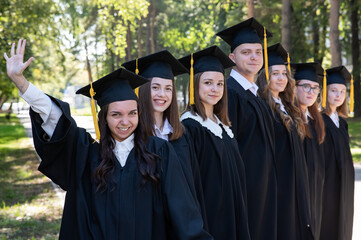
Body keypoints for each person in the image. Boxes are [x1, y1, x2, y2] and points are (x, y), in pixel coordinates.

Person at [4, 39, 213, 240]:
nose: (125, 121)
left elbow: (182, 209)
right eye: (116, 114)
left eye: (132, 113)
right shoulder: (87, 153)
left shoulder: (160, 152)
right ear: (103, 117)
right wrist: (21, 83)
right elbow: (55, 118)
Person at [122, 50, 206, 221]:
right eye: (155, 87)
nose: (162, 94)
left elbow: (193, 183)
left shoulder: (181, 135)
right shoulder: (133, 135)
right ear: (143, 90)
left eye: (168, 88)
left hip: (180, 223)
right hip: (146, 222)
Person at [179, 45, 250, 240]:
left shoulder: (223, 126)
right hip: (210, 217)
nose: (215, 89)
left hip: (233, 214)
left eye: (220, 84)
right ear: (195, 85)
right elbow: (190, 184)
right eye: (208, 83)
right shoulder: (190, 127)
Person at [216, 17, 277, 240]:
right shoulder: (230, 94)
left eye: (258, 52)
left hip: (263, 187)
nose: (253, 57)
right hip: (245, 190)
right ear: (232, 57)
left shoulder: (256, 96)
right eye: (246, 52)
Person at [257, 43, 313, 240]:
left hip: (294, 181)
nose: (281, 78)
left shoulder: (288, 106)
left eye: (284, 73)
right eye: (275, 74)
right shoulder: (262, 106)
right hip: (278, 183)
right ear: (265, 76)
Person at [320, 66, 355, 240]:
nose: (339, 95)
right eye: (334, 90)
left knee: (344, 221)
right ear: (324, 92)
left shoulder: (342, 123)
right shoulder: (318, 120)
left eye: (342, 91)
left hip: (345, 184)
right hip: (328, 185)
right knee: (329, 223)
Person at [293, 62, 326, 240]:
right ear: (294, 87)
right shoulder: (291, 120)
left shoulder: (315, 121)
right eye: (305, 86)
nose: (311, 91)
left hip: (314, 192)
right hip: (299, 194)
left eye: (315, 88)